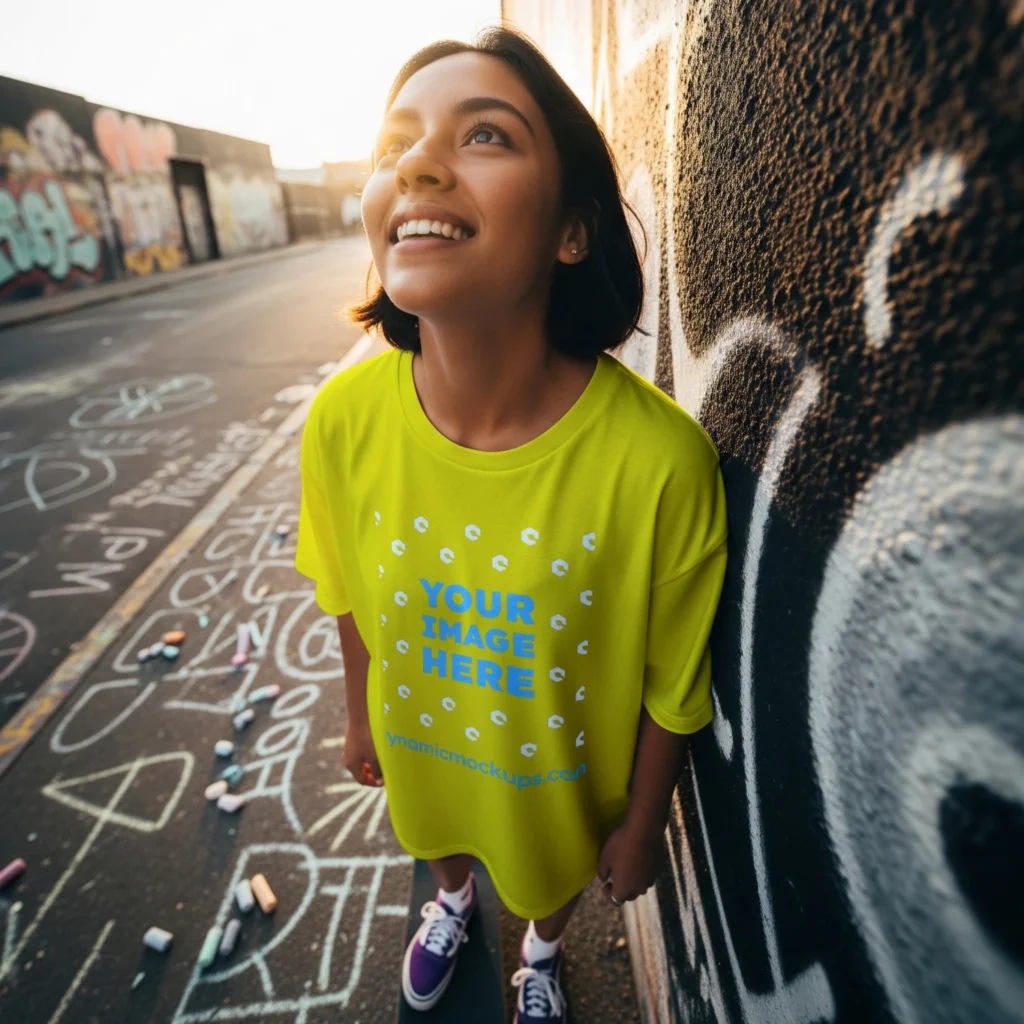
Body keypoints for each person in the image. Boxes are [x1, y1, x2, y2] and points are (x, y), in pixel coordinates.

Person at [295, 26, 727, 1023]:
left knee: (543, 879)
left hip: (558, 798)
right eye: (395, 143)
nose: (417, 164)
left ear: (572, 230)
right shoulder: (342, 422)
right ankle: (450, 905)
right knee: (442, 844)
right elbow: (346, 590)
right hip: (422, 755)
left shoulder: (660, 462)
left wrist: (643, 824)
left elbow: (674, 686)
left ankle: (540, 952)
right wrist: (360, 715)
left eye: (483, 134)